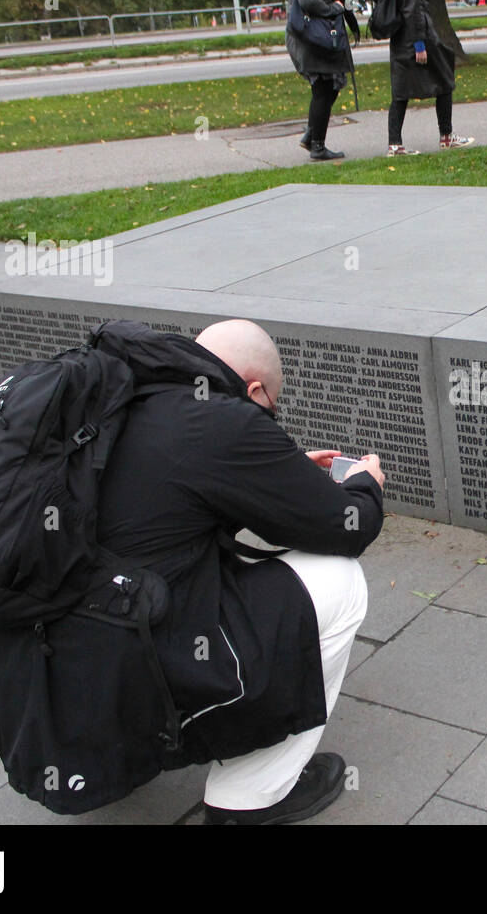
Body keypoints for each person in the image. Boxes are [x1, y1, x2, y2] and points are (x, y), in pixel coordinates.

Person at [94, 319, 386, 824]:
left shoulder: (125, 391)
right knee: (341, 580)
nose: (269, 416)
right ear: (254, 389)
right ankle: (248, 799)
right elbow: (347, 528)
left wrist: (278, 470)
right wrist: (365, 486)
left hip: (55, 675)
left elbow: (164, 493)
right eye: (272, 406)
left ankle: (103, 751)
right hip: (136, 659)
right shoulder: (223, 419)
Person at [385, 0, 474, 156]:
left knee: (401, 89)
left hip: (401, 34)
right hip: (417, 33)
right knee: (444, 78)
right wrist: (419, 44)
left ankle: (394, 144)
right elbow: (412, 7)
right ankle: (446, 136)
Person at [285, 0, 352, 160]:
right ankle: (317, 146)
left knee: (328, 88)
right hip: (314, 39)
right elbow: (309, 0)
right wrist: (335, 8)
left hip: (308, 39)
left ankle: (312, 136)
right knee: (323, 89)